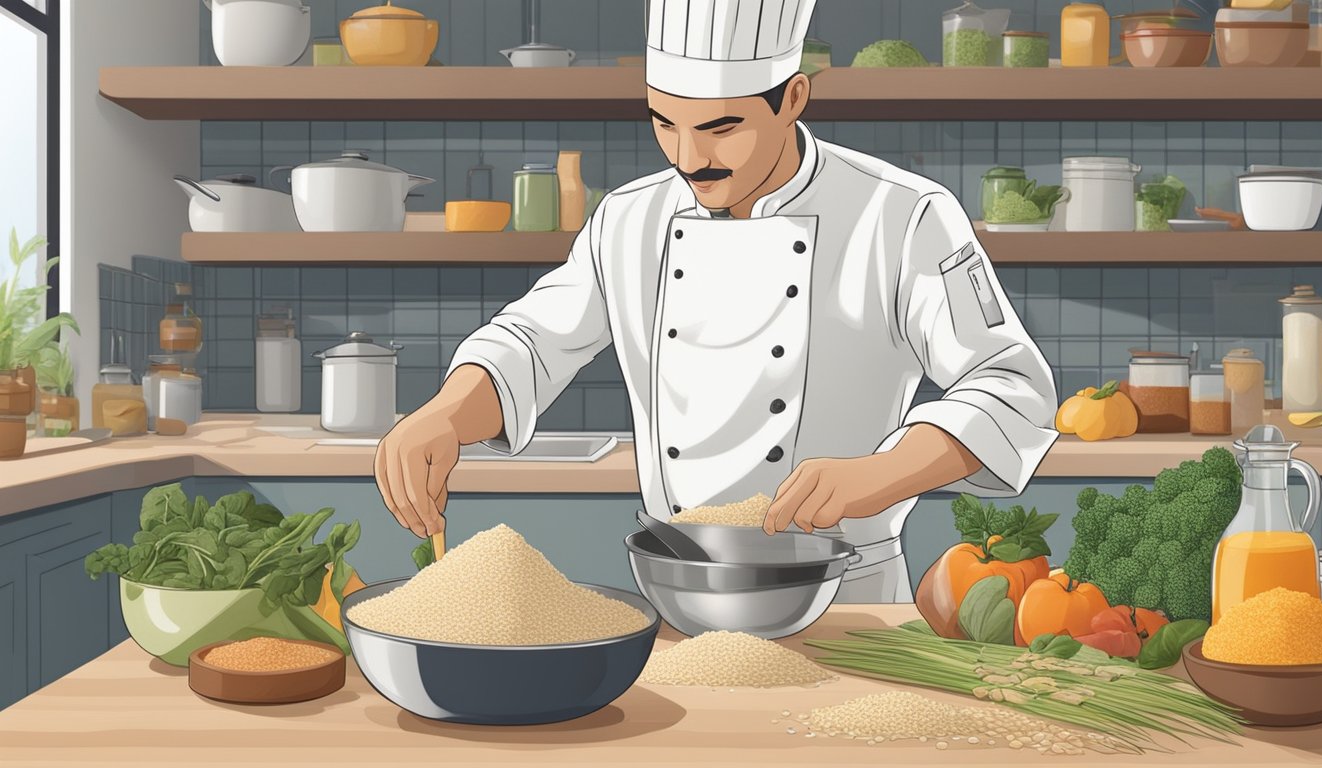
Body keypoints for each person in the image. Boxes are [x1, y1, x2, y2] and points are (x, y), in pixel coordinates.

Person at [375, 0, 1058, 602]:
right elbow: (532, 341)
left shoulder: (901, 215)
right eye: (664, 124)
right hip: (679, 589)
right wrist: (445, 412)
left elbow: (1012, 387)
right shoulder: (629, 218)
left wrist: (883, 474)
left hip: (845, 601)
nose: (688, 156)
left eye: (720, 128)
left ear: (792, 99)